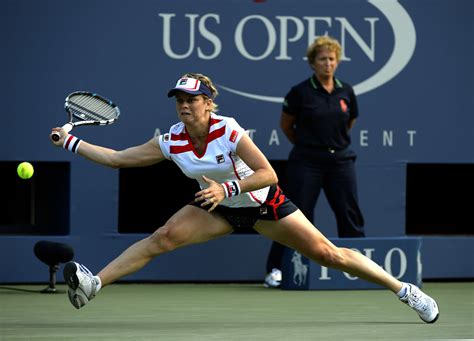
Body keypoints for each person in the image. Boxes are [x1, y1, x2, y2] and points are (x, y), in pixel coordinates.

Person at [50, 72, 439, 324]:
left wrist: (227, 188)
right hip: (219, 210)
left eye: (192, 99)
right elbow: (118, 159)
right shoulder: (170, 140)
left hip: (263, 204)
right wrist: (71, 141)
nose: (184, 105)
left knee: (329, 254)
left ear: (207, 102)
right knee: (163, 237)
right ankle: (94, 284)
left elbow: (269, 173)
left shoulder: (229, 130)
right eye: (179, 100)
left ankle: (404, 290)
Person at [265, 36, 365, 289]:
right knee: (292, 217)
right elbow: (286, 126)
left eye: (332, 59)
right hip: (306, 162)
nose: (328, 63)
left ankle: (362, 272)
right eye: (322, 59)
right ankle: (276, 270)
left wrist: (333, 145)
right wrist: (310, 145)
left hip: (341, 162)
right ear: (312, 63)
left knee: (349, 215)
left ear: (338, 62)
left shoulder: (346, 91)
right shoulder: (300, 92)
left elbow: (349, 122)